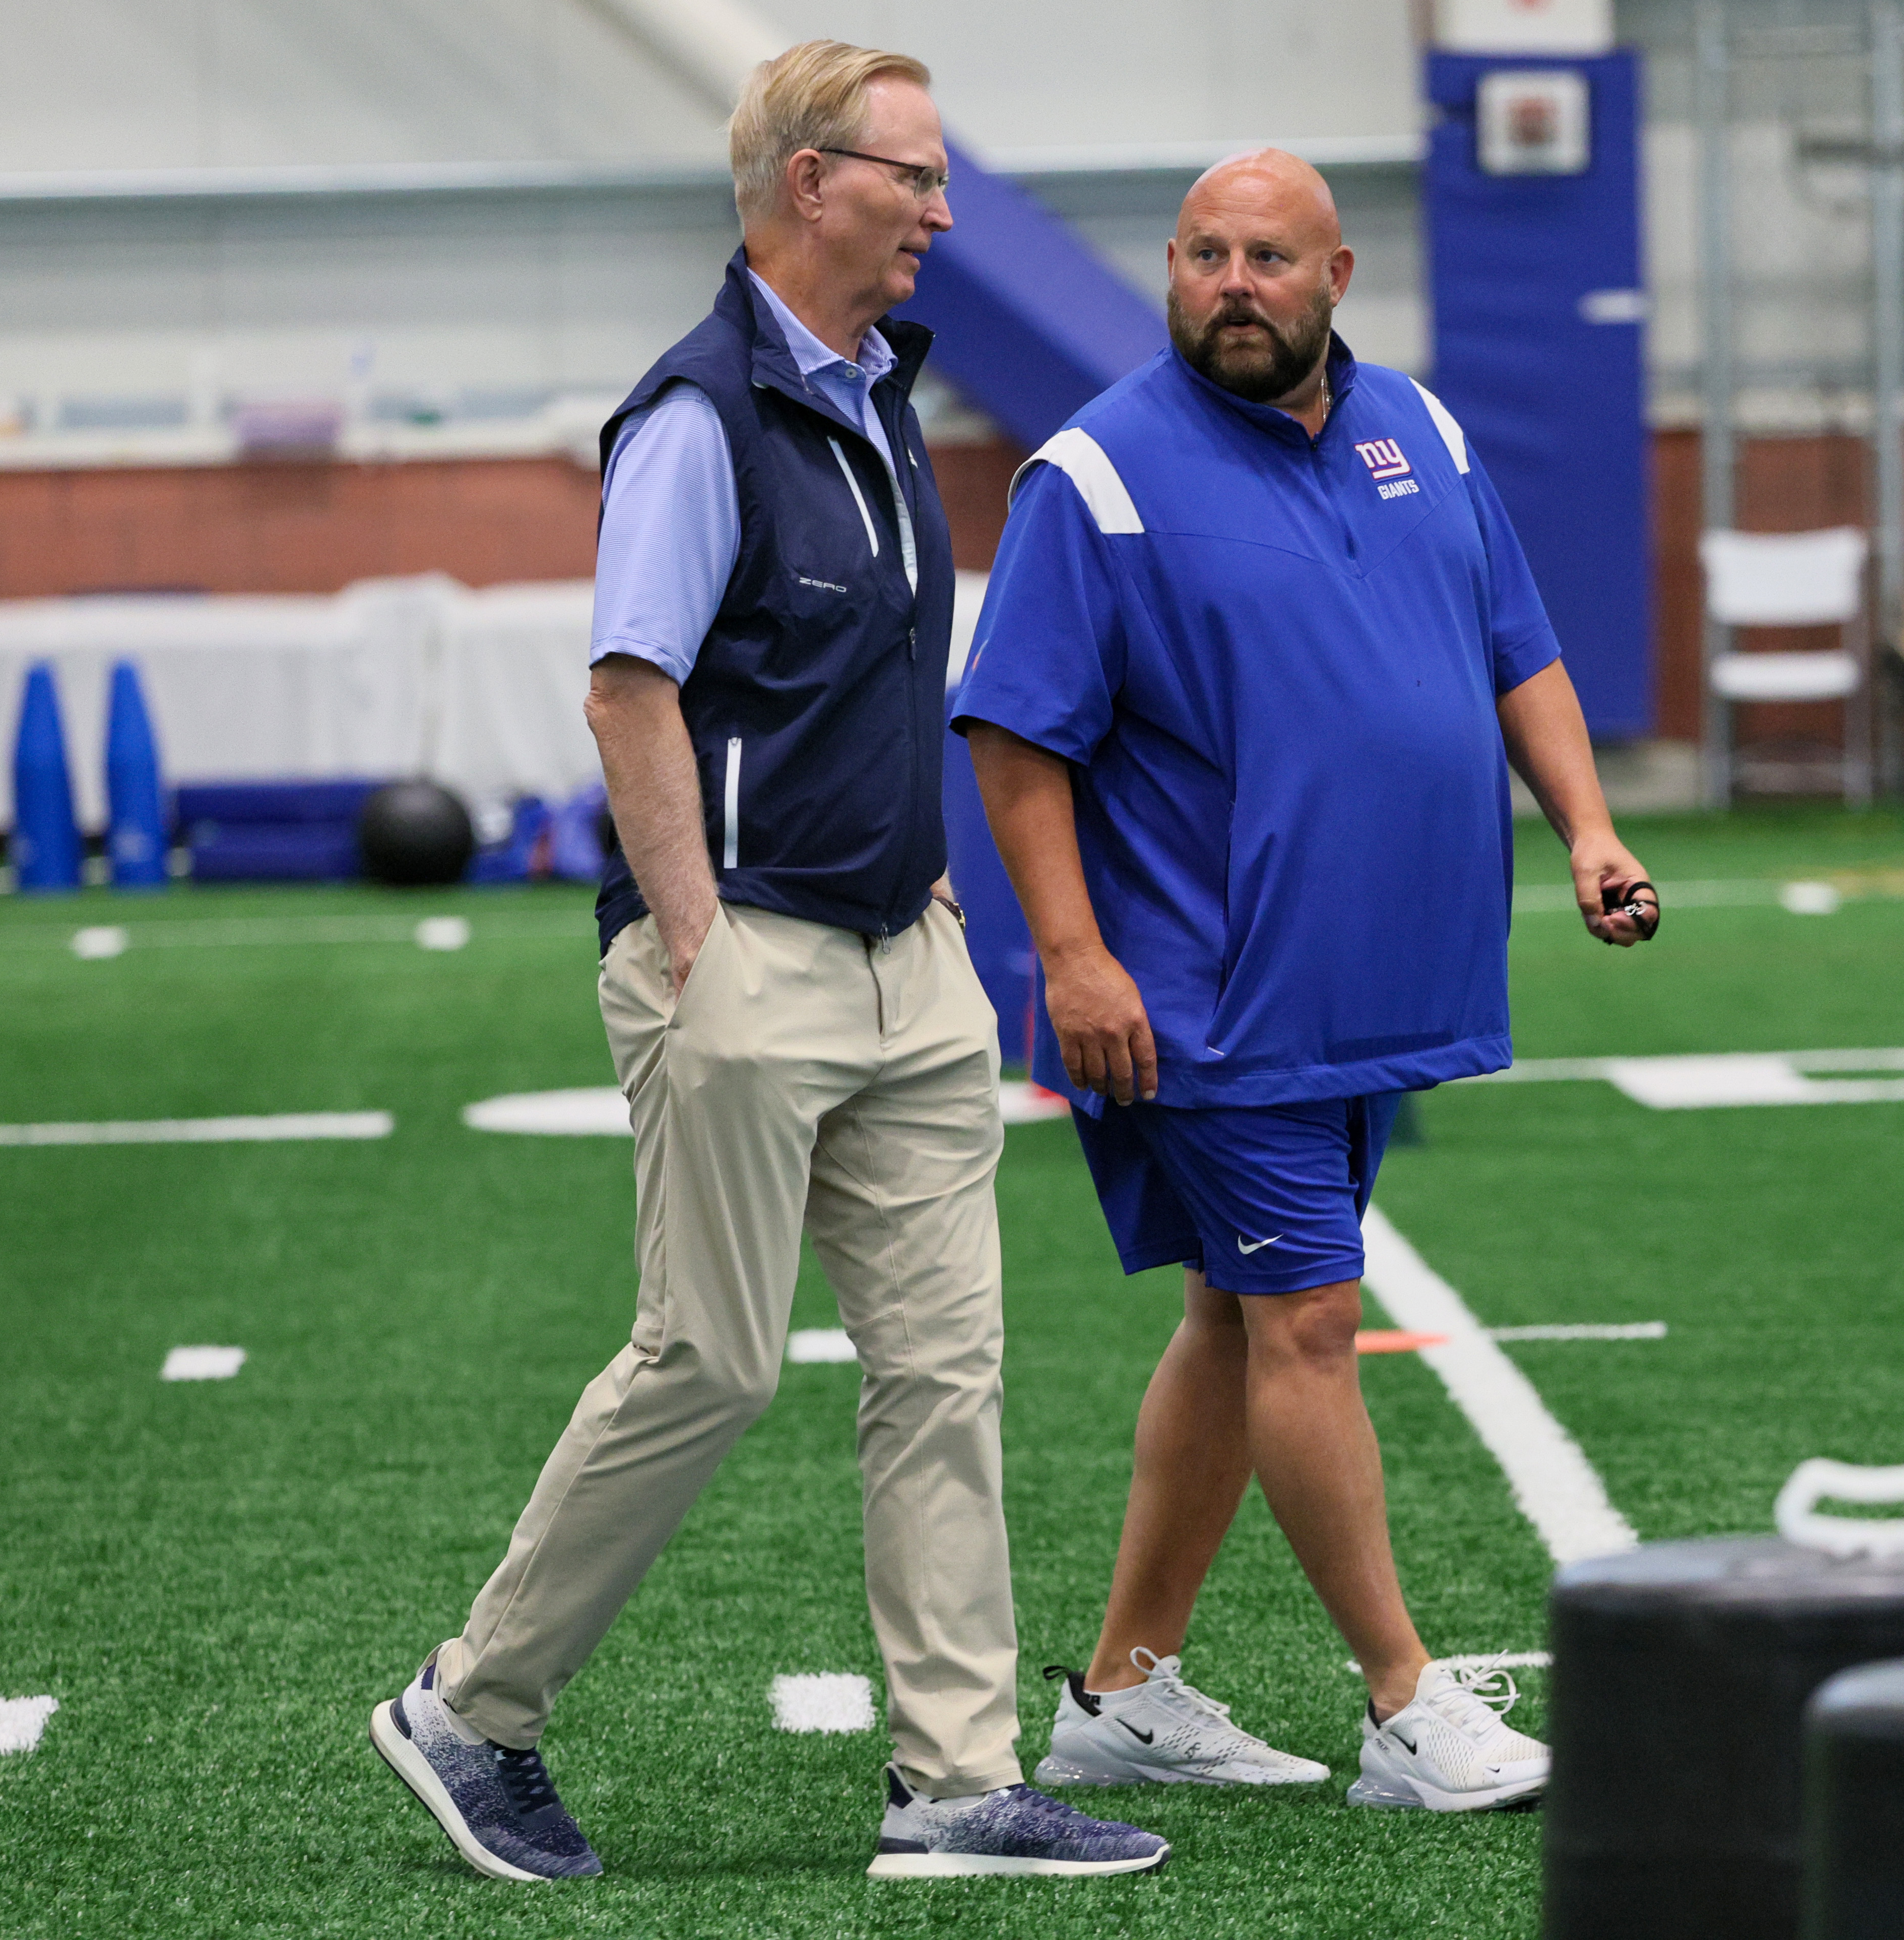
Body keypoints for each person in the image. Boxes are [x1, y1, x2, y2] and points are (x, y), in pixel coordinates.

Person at [367, 40, 1165, 1883]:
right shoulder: (695, 417)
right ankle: (470, 1706)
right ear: (811, 183)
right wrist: (701, 942)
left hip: (908, 960)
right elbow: (629, 688)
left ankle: (956, 1783)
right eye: (918, 178)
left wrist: (930, 898)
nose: (945, 214)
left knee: (945, 1372)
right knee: (710, 1361)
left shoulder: (886, 394)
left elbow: (870, 686)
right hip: (743, 962)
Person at [954, 149, 1658, 1814]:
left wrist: (1589, 832)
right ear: (1173, 271)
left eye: (1270, 255)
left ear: (1336, 273)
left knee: (1230, 1309)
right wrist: (1072, 956)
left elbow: (1518, 645)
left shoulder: (1426, 428)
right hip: (1213, 991)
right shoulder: (1097, 473)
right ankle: (1406, 1704)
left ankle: (1124, 1687)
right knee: (1307, 1319)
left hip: (1372, 986)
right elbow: (1013, 732)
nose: (1234, 284)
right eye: (1205, 254)